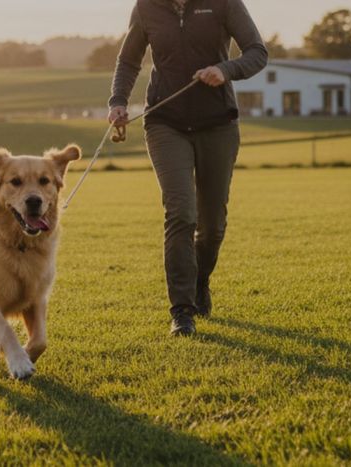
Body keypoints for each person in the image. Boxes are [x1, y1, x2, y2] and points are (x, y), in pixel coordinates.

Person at [107, 0, 267, 336]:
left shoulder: (224, 3)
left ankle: (200, 282)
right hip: (166, 123)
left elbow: (257, 52)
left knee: (212, 226)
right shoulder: (146, 7)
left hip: (218, 124)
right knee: (181, 212)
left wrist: (226, 70)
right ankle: (181, 310)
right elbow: (128, 60)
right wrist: (118, 102)